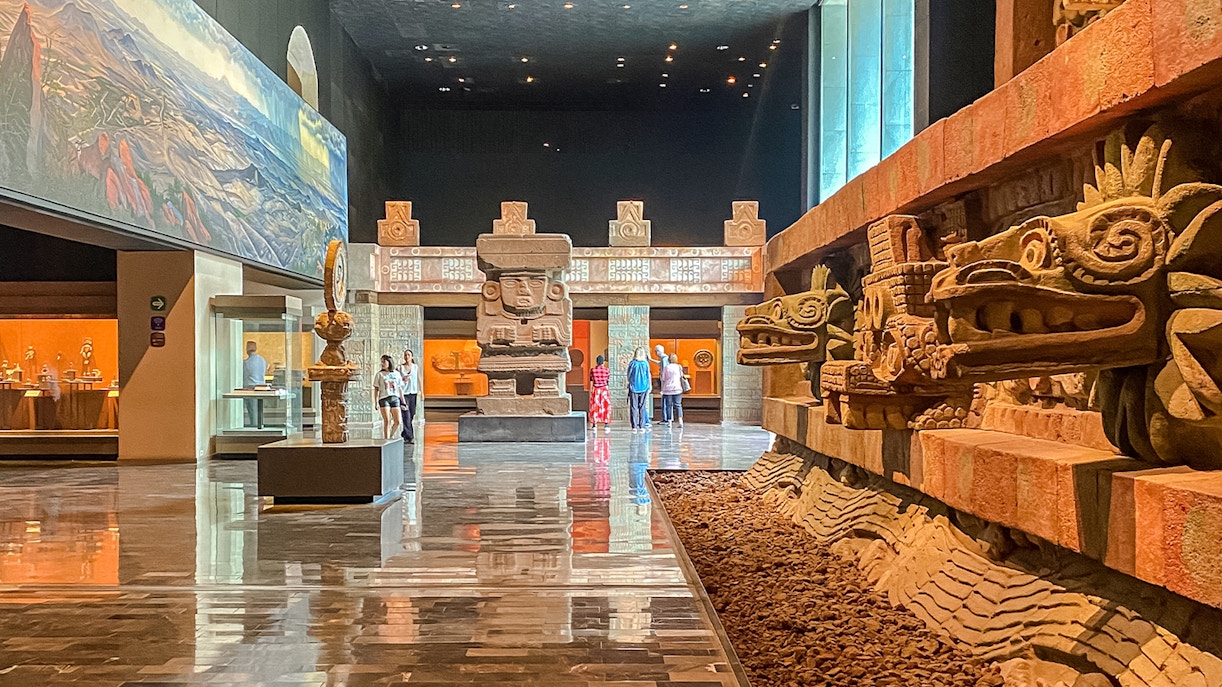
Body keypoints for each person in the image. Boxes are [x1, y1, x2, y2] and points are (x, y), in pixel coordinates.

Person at [373, 354, 404, 440]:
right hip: (384, 398)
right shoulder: (379, 374)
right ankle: (386, 440)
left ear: (389, 362)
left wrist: (403, 401)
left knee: (398, 421)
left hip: (395, 397)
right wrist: (376, 402)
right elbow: (376, 389)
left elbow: (399, 388)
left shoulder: (397, 374)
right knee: (387, 420)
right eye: (381, 362)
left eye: (384, 361)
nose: (382, 363)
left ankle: (390, 435)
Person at [626, 347, 652, 433]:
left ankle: (634, 426)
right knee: (642, 406)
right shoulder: (645, 363)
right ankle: (642, 426)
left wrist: (630, 382)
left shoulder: (632, 363)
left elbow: (629, 375)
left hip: (634, 387)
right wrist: (649, 385)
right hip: (644, 387)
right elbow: (648, 375)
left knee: (634, 407)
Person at [242, 341, 268, 428]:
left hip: (251, 388)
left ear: (247, 350)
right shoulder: (262, 360)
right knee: (259, 410)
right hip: (262, 387)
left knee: (252, 411)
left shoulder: (246, 363)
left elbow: (245, 376)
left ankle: (254, 426)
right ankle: (260, 425)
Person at [397, 348, 420, 443]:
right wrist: (402, 379)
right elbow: (396, 380)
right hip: (404, 394)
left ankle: (405, 433)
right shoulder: (399, 368)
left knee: (412, 414)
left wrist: (421, 392)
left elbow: (419, 379)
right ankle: (410, 436)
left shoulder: (415, 367)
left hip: (413, 393)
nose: (407, 357)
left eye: (408, 355)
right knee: (406, 414)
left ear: (412, 357)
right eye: (405, 355)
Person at [660, 353, 685, 427]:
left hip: (668, 389)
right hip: (677, 388)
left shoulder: (666, 367)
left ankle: (669, 422)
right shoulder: (679, 367)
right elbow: (681, 376)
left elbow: (663, 378)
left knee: (668, 405)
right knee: (678, 405)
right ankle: (680, 421)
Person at [588, 354, 611, 431]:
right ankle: (606, 424)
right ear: (603, 362)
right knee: (605, 406)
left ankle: (594, 424)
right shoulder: (607, 370)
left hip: (596, 390)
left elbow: (591, 379)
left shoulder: (593, 370)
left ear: (596, 362)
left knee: (595, 406)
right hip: (604, 389)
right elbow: (607, 380)